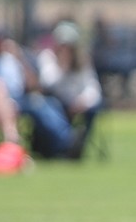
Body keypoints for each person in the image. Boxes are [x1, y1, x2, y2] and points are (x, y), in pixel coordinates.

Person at [0, 25, 75, 158]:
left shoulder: (10, 59)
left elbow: (33, 85)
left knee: (46, 106)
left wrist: (19, 57)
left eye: (1, 39)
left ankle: (63, 142)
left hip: (15, 100)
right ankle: (12, 137)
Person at [37, 21, 103, 160]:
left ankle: (78, 145)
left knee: (93, 109)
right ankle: (68, 143)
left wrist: (83, 101)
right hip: (55, 102)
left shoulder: (82, 61)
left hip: (77, 102)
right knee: (48, 108)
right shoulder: (48, 57)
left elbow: (92, 87)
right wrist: (63, 66)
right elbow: (48, 83)